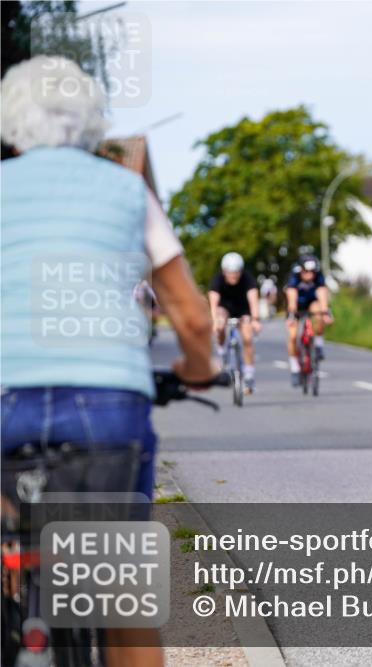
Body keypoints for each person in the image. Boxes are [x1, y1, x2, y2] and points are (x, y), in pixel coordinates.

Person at [0, 55, 216, 667]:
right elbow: (193, 319)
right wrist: (196, 370)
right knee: (123, 606)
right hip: (107, 412)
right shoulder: (126, 189)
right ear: (93, 122)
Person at [208, 252, 262, 392]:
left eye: (236, 273)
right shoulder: (217, 279)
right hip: (224, 308)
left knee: (248, 337)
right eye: (230, 273)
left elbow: (253, 299)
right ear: (224, 271)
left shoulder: (247, 279)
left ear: (241, 271)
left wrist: (255, 319)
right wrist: (215, 323)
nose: (233, 276)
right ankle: (222, 351)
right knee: (219, 322)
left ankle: (249, 376)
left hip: (243, 309)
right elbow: (213, 303)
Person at [285, 256, 333, 385]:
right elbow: (291, 295)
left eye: (312, 272)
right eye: (306, 272)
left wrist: (325, 312)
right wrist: (292, 315)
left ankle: (318, 343)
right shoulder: (294, 276)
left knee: (319, 314)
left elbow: (322, 293)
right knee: (292, 335)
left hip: (312, 303)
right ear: (301, 270)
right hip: (296, 305)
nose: (309, 275)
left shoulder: (318, 276)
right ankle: (295, 367)